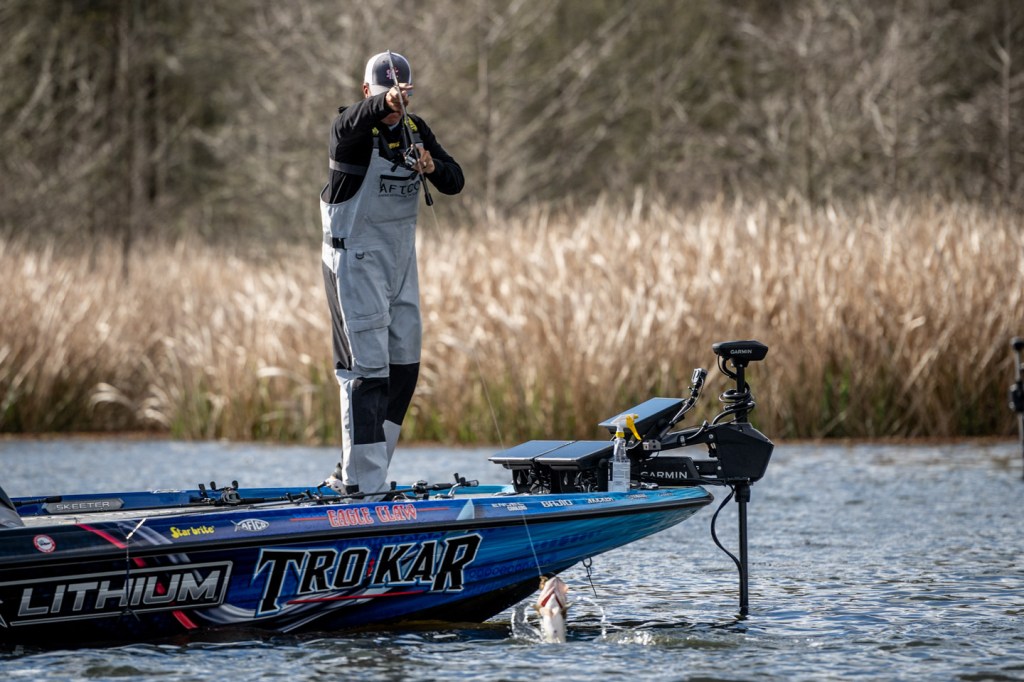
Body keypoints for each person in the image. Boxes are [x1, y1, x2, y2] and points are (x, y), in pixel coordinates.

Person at [320, 51, 464, 498]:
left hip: (400, 264)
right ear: (368, 92)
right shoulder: (349, 134)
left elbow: (455, 180)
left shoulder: (416, 129)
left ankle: (355, 473)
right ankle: (363, 488)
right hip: (355, 263)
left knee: (404, 368)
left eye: (403, 96)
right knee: (367, 372)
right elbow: (351, 121)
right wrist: (383, 104)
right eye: (387, 96)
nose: (398, 104)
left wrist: (432, 166)